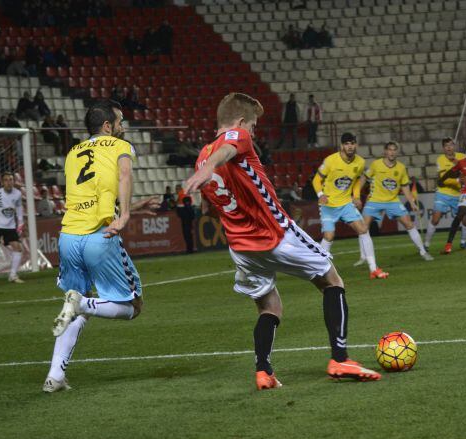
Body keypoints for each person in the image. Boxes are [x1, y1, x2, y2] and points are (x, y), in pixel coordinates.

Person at [184, 93, 381, 390]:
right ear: (239, 122)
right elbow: (226, 149)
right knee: (331, 280)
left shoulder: (201, 154)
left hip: (241, 247)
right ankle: (340, 358)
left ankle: (264, 371)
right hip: (275, 233)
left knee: (269, 307)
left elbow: (213, 202)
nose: (253, 133)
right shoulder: (232, 141)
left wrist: (205, 169)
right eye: (253, 125)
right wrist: (209, 168)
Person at [43, 99, 160, 393]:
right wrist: (127, 216)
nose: (122, 128)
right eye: (119, 123)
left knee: (75, 306)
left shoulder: (72, 153)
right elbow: (123, 175)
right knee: (133, 306)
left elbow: (92, 195)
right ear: (107, 126)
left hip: (69, 237)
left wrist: (132, 206)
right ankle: (82, 303)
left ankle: (55, 376)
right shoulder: (120, 146)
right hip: (100, 236)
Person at [313, 132, 388, 279]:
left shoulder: (359, 162)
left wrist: (357, 197)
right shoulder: (330, 161)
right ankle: (318, 268)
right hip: (328, 205)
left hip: (346, 204)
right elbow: (316, 180)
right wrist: (320, 195)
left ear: (356, 145)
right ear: (341, 146)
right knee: (329, 236)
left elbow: (355, 181)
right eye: (347, 144)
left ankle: (373, 269)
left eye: (352, 143)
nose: (350, 146)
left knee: (363, 229)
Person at [358, 142, 433, 263]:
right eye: (390, 150)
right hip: (375, 200)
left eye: (394, 150)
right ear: (385, 151)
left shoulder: (401, 168)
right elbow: (364, 178)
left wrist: (412, 202)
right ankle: (363, 257)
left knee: (409, 224)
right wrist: (356, 195)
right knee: (363, 227)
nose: (392, 152)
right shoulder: (376, 164)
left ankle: (423, 252)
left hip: (393, 201)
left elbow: (405, 187)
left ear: (396, 152)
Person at [424, 137, 466, 250]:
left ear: (454, 146)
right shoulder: (440, 159)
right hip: (443, 193)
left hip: (458, 195)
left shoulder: (462, 157)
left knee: (465, 221)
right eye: (446, 146)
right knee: (435, 219)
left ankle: (463, 242)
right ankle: (425, 245)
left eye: (451, 145)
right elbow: (443, 179)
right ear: (443, 148)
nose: (449, 147)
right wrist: (459, 180)